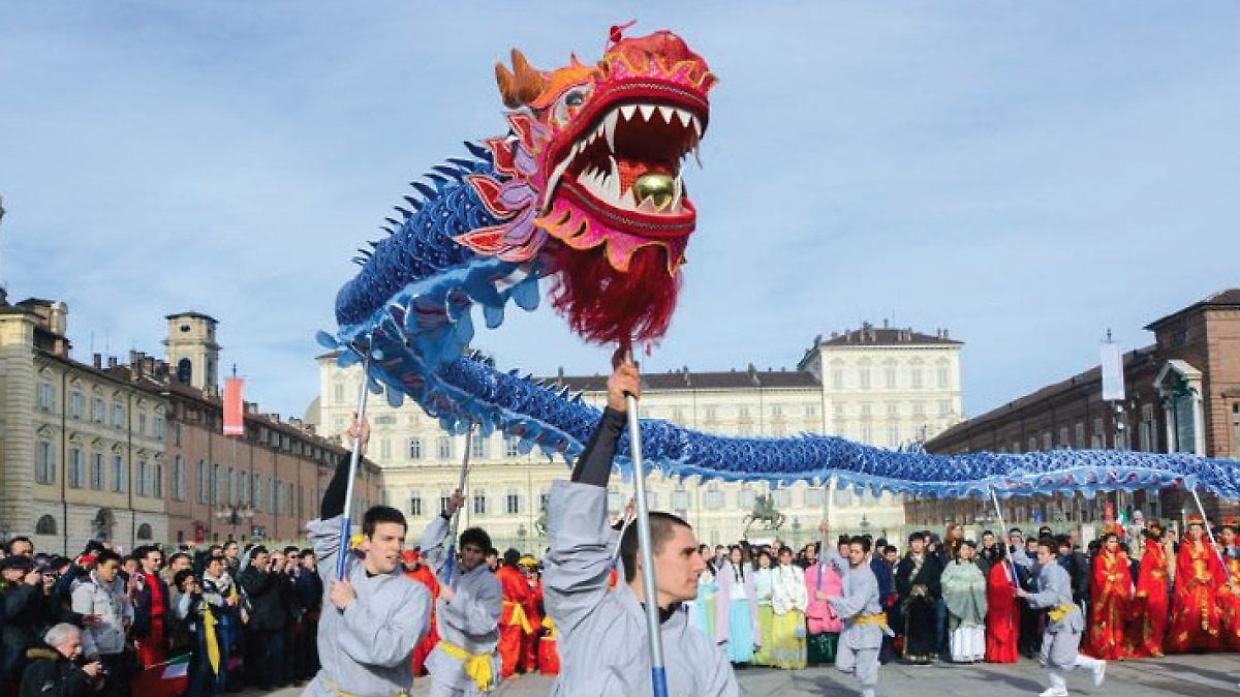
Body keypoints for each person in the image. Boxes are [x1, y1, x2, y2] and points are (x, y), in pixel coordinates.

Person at [542, 357, 738, 697]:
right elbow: (577, 530)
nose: (700, 563)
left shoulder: (702, 652)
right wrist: (614, 419)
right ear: (645, 558)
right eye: (687, 553)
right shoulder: (587, 615)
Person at [304, 414, 433, 697]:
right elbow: (332, 515)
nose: (396, 547)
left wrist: (351, 606)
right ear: (366, 541)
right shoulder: (340, 570)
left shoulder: (415, 594)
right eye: (387, 539)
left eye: (400, 540)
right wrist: (355, 452)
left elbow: (389, 651)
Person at [420, 493, 503, 696]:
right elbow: (428, 547)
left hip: (477, 666)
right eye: (467, 549)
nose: (471, 555)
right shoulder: (449, 571)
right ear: (461, 550)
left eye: (476, 551)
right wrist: (448, 512)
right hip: (448, 664)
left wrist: (454, 600)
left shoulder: (490, 583)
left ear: (483, 555)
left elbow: (483, 624)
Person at [1015, 538, 1105, 697]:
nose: (1038, 557)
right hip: (1056, 617)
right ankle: (1059, 688)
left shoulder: (1055, 572)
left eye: (1042, 554)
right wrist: (1015, 545)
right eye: (1038, 553)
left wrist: (1026, 595)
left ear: (1053, 555)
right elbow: (1026, 562)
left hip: (1067, 617)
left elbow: (1051, 596)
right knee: (1046, 654)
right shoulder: (1043, 567)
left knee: (1061, 657)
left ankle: (1095, 665)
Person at [820, 523, 888, 697]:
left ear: (866, 554)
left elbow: (854, 605)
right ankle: (865, 670)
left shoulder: (868, 578)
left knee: (866, 676)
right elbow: (828, 557)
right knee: (842, 664)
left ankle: (868, 690)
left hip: (869, 627)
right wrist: (825, 534)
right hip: (851, 627)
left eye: (857, 552)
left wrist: (827, 597)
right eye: (851, 551)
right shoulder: (848, 569)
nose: (852, 555)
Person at [70, 549, 132, 697]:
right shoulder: (84, 587)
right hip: (99, 651)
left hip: (119, 648)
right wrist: (92, 652)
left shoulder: (119, 584)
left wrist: (128, 617)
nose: (116, 572)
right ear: (99, 566)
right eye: (112, 567)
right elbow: (82, 623)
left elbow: (127, 606)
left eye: (118, 567)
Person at [1166, 514, 1225, 653]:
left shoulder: (1208, 547)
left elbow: (1213, 564)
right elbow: (1183, 567)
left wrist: (1209, 574)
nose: (1195, 532)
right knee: (1192, 611)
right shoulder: (1185, 548)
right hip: (1192, 584)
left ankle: (1207, 641)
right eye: (1192, 529)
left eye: (1197, 529)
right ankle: (1190, 641)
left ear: (1202, 530)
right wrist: (1195, 577)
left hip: (1206, 582)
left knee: (1210, 611)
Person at [1, 555, 49, 695]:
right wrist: (27, 586)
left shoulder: (31, 590)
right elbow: (9, 610)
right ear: (6, 573)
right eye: (22, 570)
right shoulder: (5, 590)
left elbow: (46, 614)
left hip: (33, 653)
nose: (27, 573)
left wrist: (45, 590)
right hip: (11, 658)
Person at [174, 568, 225, 697]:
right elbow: (181, 613)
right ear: (182, 584)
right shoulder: (180, 596)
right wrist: (187, 594)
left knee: (209, 664)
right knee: (200, 665)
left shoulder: (203, 592)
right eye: (189, 583)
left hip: (209, 632)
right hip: (192, 635)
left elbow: (220, 601)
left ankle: (209, 690)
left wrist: (202, 593)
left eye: (194, 582)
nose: (193, 585)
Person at [1083, 530, 1131, 660]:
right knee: (1105, 623)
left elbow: (1126, 576)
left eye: (1115, 541)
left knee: (1118, 624)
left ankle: (1118, 648)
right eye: (1111, 541)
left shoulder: (1120, 558)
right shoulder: (1099, 559)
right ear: (1105, 543)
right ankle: (1104, 649)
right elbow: (1099, 577)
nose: (1114, 544)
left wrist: (1117, 579)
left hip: (1117, 596)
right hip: (1105, 597)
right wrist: (1114, 577)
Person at [18, 623, 103, 697]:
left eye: (80, 645)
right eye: (74, 646)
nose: (79, 650)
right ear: (59, 644)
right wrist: (82, 675)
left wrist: (94, 684)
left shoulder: (69, 664)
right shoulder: (42, 666)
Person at [894, 532, 941, 664]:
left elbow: (937, 578)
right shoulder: (905, 562)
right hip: (912, 600)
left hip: (927, 599)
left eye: (919, 542)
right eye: (914, 542)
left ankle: (928, 653)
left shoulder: (932, 561)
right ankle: (913, 654)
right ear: (910, 545)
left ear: (924, 544)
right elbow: (900, 580)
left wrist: (927, 589)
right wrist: (912, 589)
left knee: (928, 627)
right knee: (913, 628)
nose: (917, 545)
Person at [1127, 522, 1172, 658]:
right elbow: (1145, 572)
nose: (1168, 538)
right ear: (1160, 538)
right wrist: (1142, 591)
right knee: (1153, 617)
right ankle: (1151, 645)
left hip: (1161, 587)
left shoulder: (1161, 551)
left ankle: (1157, 644)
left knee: (1161, 616)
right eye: (1165, 536)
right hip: (1153, 588)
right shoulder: (1150, 552)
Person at [940, 541, 987, 663]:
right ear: (958, 551)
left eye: (968, 550)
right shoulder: (951, 565)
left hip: (973, 602)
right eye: (963, 549)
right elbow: (945, 582)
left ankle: (975, 653)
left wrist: (975, 585)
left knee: (975, 627)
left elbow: (982, 581)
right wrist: (963, 586)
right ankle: (961, 654)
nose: (966, 552)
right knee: (961, 628)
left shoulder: (974, 566)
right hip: (959, 602)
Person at [714, 545, 759, 666]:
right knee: (732, 632)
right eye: (734, 555)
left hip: (744, 603)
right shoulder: (725, 569)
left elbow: (751, 587)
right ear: (730, 556)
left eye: (738, 555)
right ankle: (732, 657)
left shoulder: (746, 569)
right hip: (732, 604)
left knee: (744, 632)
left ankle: (744, 657)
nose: (736, 557)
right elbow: (720, 585)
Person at [495, 549, 534, 678]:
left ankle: (502, 666)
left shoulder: (499, 573)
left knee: (502, 641)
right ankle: (508, 670)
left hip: (500, 610)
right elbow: (523, 594)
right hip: (512, 612)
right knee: (512, 643)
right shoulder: (515, 575)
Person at [131, 545, 170, 668]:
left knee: (160, 663)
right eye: (155, 560)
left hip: (160, 627)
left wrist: (169, 631)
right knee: (147, 663)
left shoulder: (161, 581)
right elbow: (137, 605)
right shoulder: (138, 578)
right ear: (143, 561)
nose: (159, 563)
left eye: (160, 560)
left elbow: (166, 607)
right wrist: (134, 634)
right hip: (145, 628)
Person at [768, 547, 808, 669]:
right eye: (783, 556)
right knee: (783, 636)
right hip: (783, 608)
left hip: (797, 608)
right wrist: (789, 604)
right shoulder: (775, 572)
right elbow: (777, 589)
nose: (786, 558)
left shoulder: (798, 570)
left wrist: (799, 603)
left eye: (788, 555)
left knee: (797, 636)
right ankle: (784, 661)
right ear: (779, 557)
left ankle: (797, 661)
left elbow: (803, 588)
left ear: (792, 557)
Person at [403, 549, 440, 677]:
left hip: (425, 613)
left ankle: (428, 667)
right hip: (409, 615)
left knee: (428, 643)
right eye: (408, 562)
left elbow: (434, 592)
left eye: (412, 561)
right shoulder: (402, 575)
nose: (410, 564)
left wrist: (433, 609)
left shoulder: (425, 574)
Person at [804, 546, 843, 666]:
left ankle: (832, 656)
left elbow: (840, 589)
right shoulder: (809, 570)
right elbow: (806, 588)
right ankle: (816, 657)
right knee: (815, 634)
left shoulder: (836, 571)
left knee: (832, 632)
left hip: (830, 606)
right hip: (815, 604)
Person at [984, 546, 1020, 663]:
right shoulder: (997, 568)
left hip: (1010, 604)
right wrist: (1010, 590)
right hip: (1000, 604)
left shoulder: (1010, 568)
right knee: (1000, 628)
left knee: (1010, 628)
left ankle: (1008, 655)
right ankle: (997, 655)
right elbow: (994, 588)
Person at [296, 548, 325, 681]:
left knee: (313, 642)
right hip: (305, 612)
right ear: (302, 560)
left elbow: (319, 589)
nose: (312, 560)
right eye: (309, 558)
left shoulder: (314, 573)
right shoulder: (300, 574)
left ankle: (313, 668)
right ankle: (305, 670)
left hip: (314, 612)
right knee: (304, 644)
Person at [751, 551, 776, 666]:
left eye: (767, 559)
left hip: (772, 606)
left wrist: (773, 595)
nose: (765, 561)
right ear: (758, 561)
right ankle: (760, 657)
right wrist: (762, 596)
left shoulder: (774, 574)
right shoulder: (754, 575)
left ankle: (771, 656)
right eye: (762, 559)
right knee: (760, 632)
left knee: (771, 632)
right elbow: (751, 592)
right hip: (760, 606)